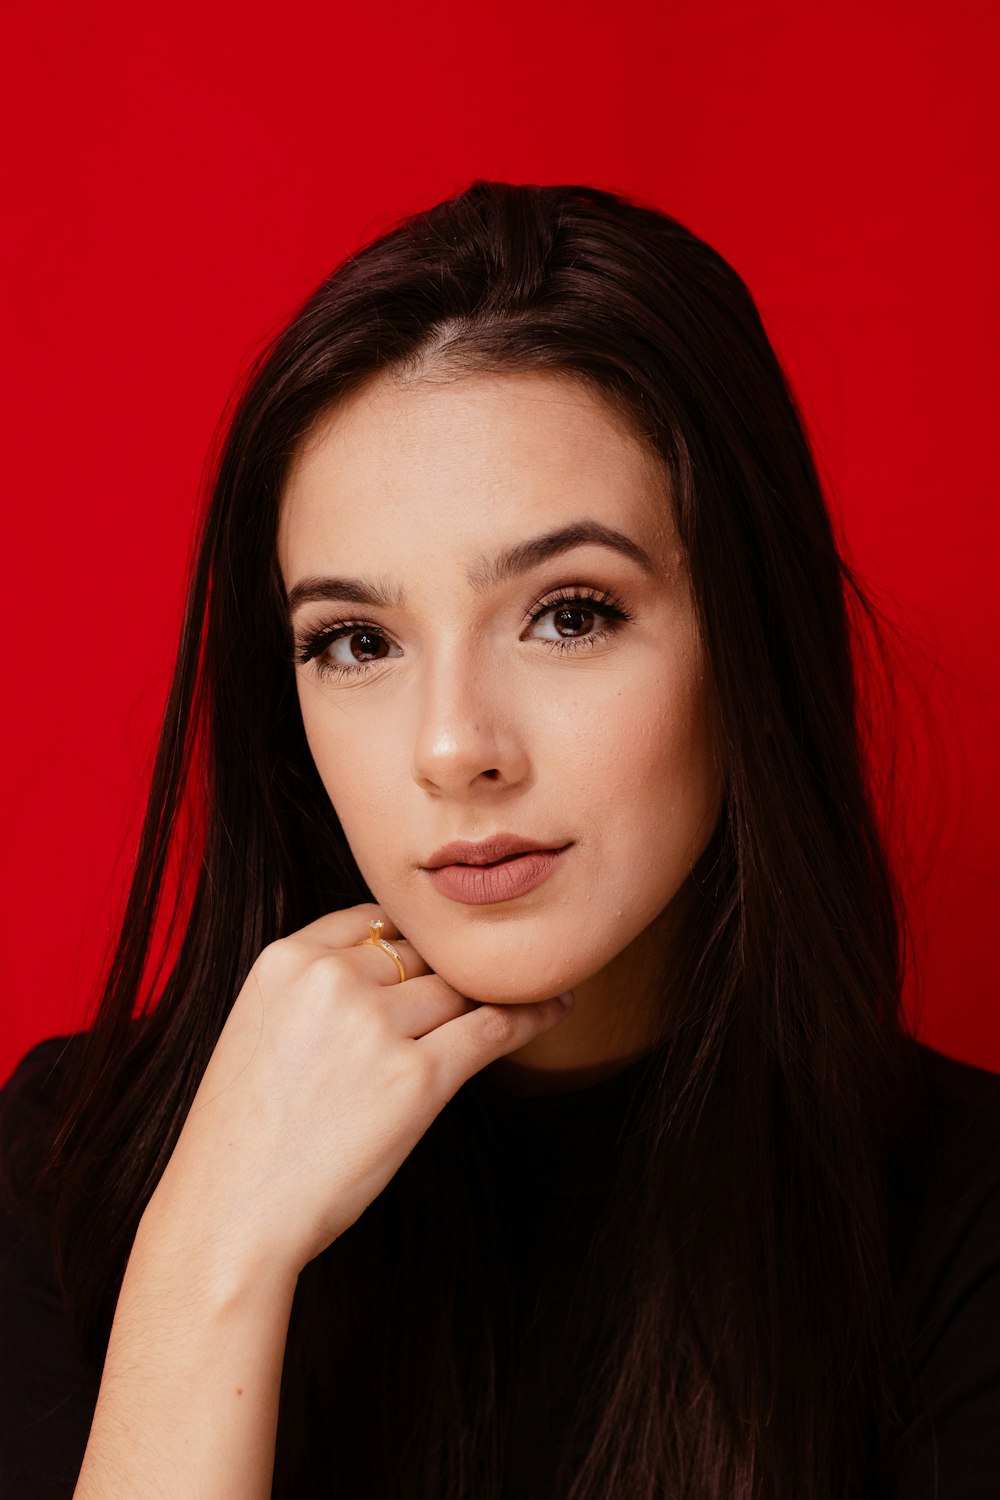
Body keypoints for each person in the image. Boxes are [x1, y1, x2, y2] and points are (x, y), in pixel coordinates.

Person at [1, 179, 998, 1500]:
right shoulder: (76, 1162)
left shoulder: (958, 1225)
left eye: (570, 614)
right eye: (355, 641)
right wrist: (209, 1262)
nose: (452, 746)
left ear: (748, 635)